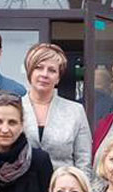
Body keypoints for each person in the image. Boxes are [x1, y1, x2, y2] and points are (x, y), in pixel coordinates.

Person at [21, 43, 92, 175]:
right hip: (22, 185)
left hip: (64, 185)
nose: (45, 74)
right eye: (39, 68)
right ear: (30, 72)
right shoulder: (14, 108)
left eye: (52, 70)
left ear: (58, 78)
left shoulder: (75, 111)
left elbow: (84, 162)